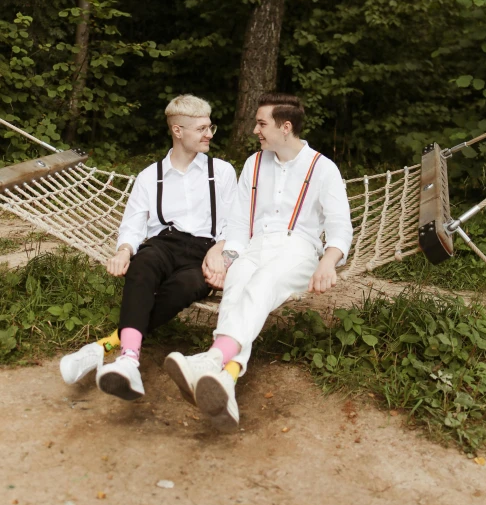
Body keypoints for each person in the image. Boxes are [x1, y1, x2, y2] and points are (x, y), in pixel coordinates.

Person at [164, 92, 353, 431]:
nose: (255, 130)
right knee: (237, 288)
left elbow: (340, 228)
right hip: (254, 247)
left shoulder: (323, 168)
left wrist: (328, 262)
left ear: (286, 127)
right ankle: (227, 382)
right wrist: (228, 258)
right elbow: (238, 224)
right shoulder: (253, 164)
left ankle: (210, 359)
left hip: (298, 251)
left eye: (262, 124)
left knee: (262, 284)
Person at [59, 94, 237, 400]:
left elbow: (235, 223)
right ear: (178, 131)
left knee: (188, 285)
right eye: (202, 129)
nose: (210, 134)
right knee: (142, 267)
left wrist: (221, 249)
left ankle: (104, 347)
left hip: (204, 251)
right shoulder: (149, 176)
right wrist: (124, 250)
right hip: (163, 243)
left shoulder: (220, 172)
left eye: (211, 127)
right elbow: (133, 224)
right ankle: (129, 362)